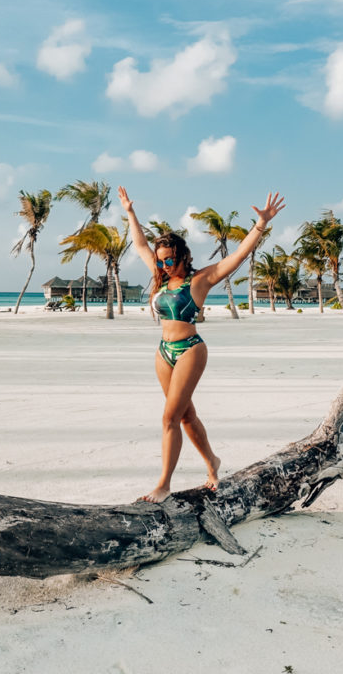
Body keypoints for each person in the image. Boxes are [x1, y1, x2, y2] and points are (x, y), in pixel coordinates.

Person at [118, 186, 286, 503]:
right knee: (185, 416)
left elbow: (237, 256)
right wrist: (130, 211)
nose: (164, 266)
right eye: (161, 261)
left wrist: (261, 224)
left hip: (190, 350)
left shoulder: (201, 280)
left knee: (169, 418)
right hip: (163, 353)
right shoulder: (160, 277)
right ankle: (212, 463)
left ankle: (164, 485)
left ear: (183, 257)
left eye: (169, 261)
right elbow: (139, 244)